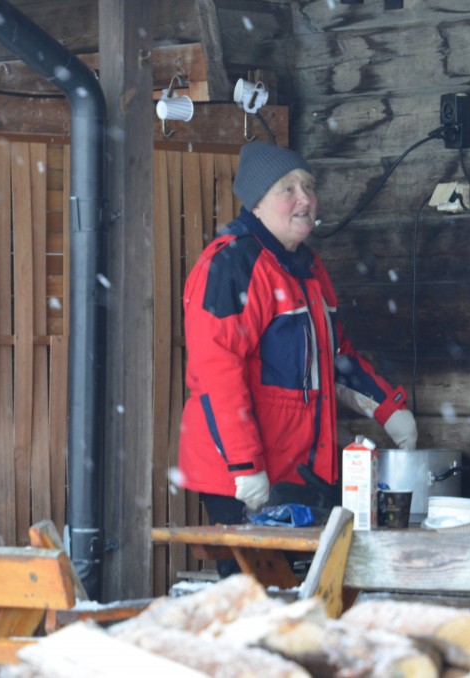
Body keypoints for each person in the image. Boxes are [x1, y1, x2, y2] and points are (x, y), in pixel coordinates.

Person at [178, 141, 418, 548]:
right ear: (256, 204)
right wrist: (244, 465)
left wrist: (389, 408)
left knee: (303, 588)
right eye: (287, 189)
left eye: (308, 186)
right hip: (242, 475)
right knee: (256, 596)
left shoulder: (307, 268)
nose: (305, 198)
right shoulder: (231, 264)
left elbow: (335, 357)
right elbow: (215, 373)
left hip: (296, 469)